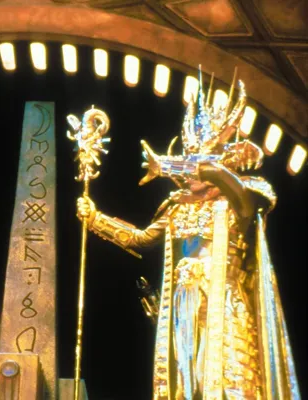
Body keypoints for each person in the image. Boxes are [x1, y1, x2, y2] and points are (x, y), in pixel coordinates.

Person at [77, 71, 300, 399]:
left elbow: (219, 177)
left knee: (231, 380)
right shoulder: (176, 206)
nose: (192, 167)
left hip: (224, 302)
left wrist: (177, 165)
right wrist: (96, 219)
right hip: (184, 303)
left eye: (198, 156)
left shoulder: (243, 196)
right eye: (189, 154)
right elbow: (141, 239)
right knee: (186, 385)